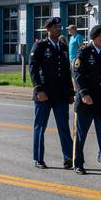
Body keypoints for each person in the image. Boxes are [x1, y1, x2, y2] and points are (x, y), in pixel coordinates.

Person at [29, 17, 75, 170]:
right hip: (45, 93)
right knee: (40, 127)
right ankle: (38, 158)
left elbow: (66, 71)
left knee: (64, 127)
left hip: (60, 94)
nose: (59, 29)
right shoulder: (40, 45)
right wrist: (38, 89)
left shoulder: (63, 46)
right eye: (55, 27)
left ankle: (68, 157)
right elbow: (33, 68)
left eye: (60, 27)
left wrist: (70, 91)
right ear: (48, 29)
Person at [73, 24, 101, 174]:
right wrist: (84, 93)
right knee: (81, 134)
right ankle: (78, 163)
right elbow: (77, 74)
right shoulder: (84, 52)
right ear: (94, 38)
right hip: (86, 101)